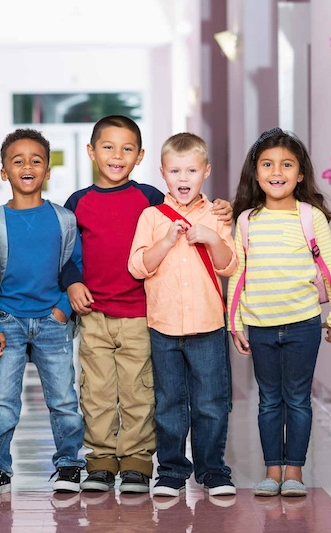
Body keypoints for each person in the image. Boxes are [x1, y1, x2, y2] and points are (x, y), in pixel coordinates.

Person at [63, 117, 233, 493]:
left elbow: (189, 207)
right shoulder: (78, 203)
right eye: (107, 147)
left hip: (143, 314)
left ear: (139, 157)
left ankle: (139, 461)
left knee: (141, 391)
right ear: (91, 152)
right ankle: (102, 459)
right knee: (97, 391)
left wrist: (223, 210)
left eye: (127, 149)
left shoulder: (152, 199)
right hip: (95, 314)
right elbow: (65, 255)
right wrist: (72, 284)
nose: (116, 156)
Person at [226, 127, 331, 497]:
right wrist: (235, 323)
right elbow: (238, 274)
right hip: (260, 326)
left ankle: (294, 472)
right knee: (269, 400)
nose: (276, 171)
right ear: (256, 172)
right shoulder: (247, 220)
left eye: (286, 164)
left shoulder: (310, 217)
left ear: (299, 173)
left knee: (296, 398)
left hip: (303, 325)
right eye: (267, 164)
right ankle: (272, 470)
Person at [0, 128, 86, 495]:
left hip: (52, 322)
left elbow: (76, 267)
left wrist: (63, 309)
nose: (27, 166)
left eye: (36, 160)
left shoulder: (64, 219)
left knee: (64, 400)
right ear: (4, 171)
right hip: (7, 320)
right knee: (3, 402)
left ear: (48, 170)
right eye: (17, 160)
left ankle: (70, 464)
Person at [129, 132, 238, 497]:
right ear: (163, 173)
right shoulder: (151, 217)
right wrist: (165, 241)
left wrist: (212, 237)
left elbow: (229, 265)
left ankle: (212, 470)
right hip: (164, 326)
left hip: (208, 325)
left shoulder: (217, 215)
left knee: (211, 403)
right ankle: (172, 471)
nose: (183, 178)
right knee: (169, 403)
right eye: (175, 170)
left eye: (191, 170)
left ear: (205, 171)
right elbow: (137, 266)